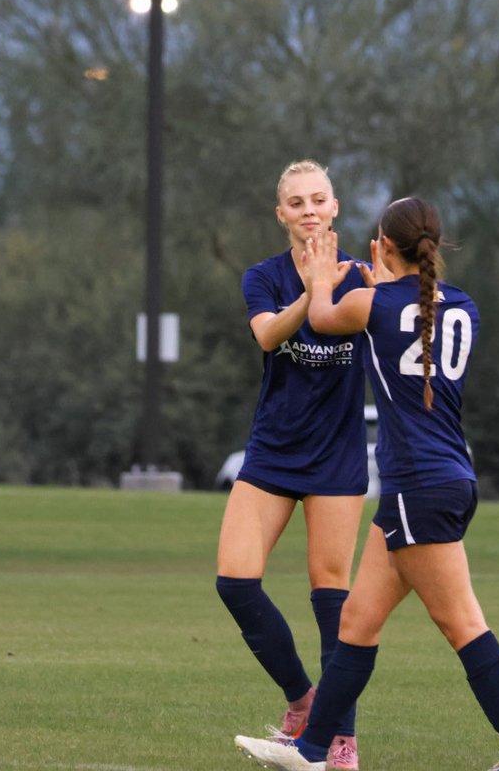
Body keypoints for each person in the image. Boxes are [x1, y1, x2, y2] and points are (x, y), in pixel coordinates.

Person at [234, 197, 499, 771]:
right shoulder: (466, 307)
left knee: (463, 625)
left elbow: (321, 317)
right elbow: (410, 324)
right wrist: (379, 280)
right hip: (448, 478)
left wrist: (320, 278)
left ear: (382, 246)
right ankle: (311, 753)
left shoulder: (370, 303)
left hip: (416, 488)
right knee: (356, 623)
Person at [216, 160, 368, 770]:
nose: (309, 210)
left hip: (337, 457)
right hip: (273, 453)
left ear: (335, 208)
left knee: (333, 602)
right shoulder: (263, 277)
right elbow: (267, 336)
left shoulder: (363, 277)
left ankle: (341, 744)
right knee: (235, 582)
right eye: (296, 202)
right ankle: (304, 703)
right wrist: (311, 290)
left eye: (318, 200)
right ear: (280, 214)